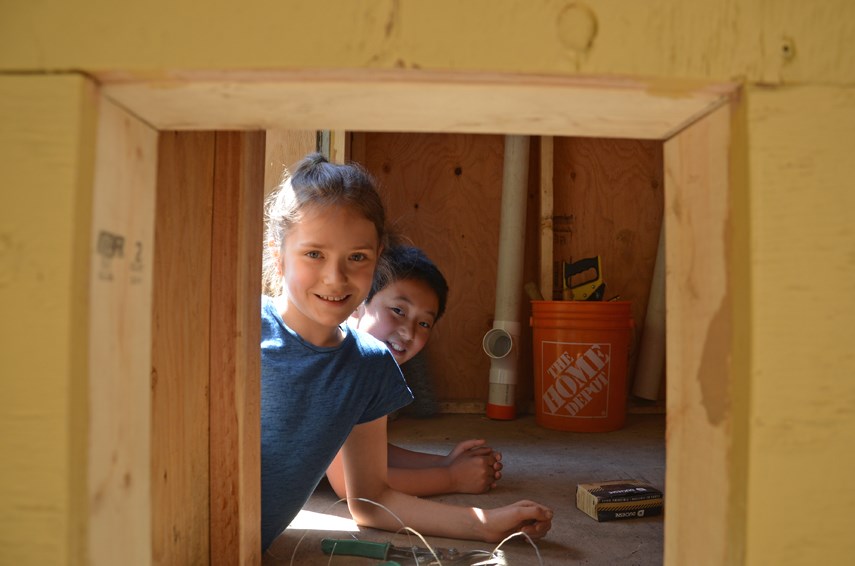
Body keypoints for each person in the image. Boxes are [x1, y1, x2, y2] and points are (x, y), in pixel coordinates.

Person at [260, 153, 552, 552]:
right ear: (278, 257)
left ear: (377, 258)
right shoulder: (242, 330)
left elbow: (370, 500)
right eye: (314, 254)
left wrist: (484, 525)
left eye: (357, 258)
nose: (336, 277)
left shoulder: (369, 365)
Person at [325, 244, 503, 498]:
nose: (409, 333)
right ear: (357, 302)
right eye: (398, 311)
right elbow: (351, 483)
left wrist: (443, 462)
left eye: (423, 323)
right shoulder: (336, 362)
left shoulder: (367, 366)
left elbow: (363, 450)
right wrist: (452, 478)